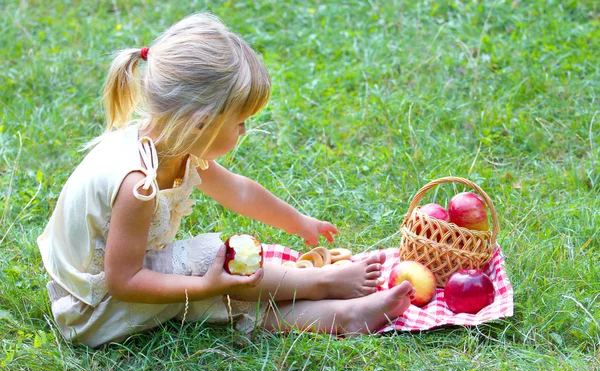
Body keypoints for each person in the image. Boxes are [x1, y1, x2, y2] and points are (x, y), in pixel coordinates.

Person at [37, 12, 414, 348]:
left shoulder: (174, 146)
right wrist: (205, 284)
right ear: (200, 122)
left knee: (229, 295)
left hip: (117, 286)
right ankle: (322, 283)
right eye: (239, 122)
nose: (245, 131)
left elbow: (240, 191)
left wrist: (299, 222)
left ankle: (344, 317)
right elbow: (123, 281)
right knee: (207, 260)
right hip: (93, 308)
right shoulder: (138, 184)